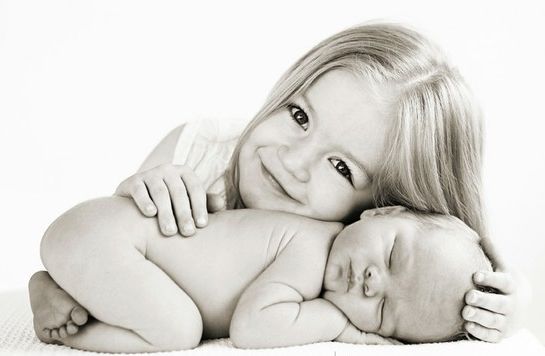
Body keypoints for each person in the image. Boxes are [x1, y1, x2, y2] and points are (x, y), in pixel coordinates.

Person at [29, 22, 522, 344]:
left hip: (92, 260)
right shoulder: (199, 150)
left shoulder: (354, 258)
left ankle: (57, 298)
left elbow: (439, 276)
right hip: (100, 245)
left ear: (384, 203)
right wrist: (145, 184)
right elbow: (119, 238)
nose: (293, 159)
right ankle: (72, 323)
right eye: (299, 115)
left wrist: (495, 307)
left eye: (342, 167)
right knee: (175, 330)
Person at [37, 197, 491, 352]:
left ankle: (63, 288)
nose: (372, 284)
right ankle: (66, 325)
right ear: (380, 211)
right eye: (392, 257)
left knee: (171, 319)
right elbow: (252, 328)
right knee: (178, 330)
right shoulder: (312, 247)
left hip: (101, 243)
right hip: (107, 239)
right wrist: (340, 325)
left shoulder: (320, 255)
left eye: (385, 310)